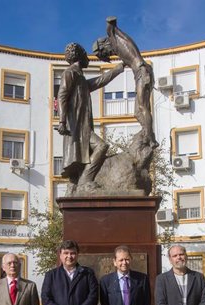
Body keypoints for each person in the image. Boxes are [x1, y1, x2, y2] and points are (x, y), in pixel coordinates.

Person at [57, 42, 124, 192]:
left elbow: (100, 81)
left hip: (83, 126)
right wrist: (62, 121)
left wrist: (119, 68)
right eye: (86, 55)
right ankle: (85, 180)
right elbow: (61, 96)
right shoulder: (70, 73)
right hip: (77, 127)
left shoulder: (80, 78)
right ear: (80, 56)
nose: (88, 58)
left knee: (88, 156)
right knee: (101, 146)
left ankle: (80, 182)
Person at [94, 16, 157, 148]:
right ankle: (148, 133)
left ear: (104, 45)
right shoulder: (122, 48)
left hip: (141, 71)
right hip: (143, 72)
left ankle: (151, 139)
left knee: (142, 107)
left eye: (106, 53)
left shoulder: (115, 39)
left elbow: (110, 26)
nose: (109, 54)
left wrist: (110, 23)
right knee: (138, 112)